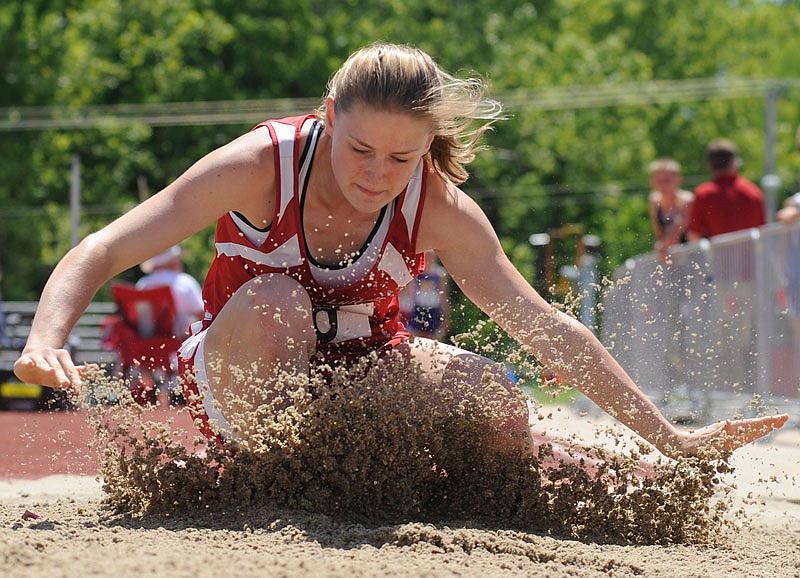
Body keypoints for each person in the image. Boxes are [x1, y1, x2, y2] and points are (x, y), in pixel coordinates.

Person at [13, 43, 786, 462]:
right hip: (241, 369)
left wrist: (673, 440)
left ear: (426, 151)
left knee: (495, 397)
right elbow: (104, 246)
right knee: (280, 301)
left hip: (361, 378)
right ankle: (257, 478)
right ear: (326, 117)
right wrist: (45, 339)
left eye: (400, 159)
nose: (375, 176)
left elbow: (546, 326)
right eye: (359, 150)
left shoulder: (439, 205)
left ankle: (447, 486)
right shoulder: (258, 165)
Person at [687, 139, 766, 242]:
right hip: (752, 256)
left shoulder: (703, 193)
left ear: (709, 164)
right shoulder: (753, 191)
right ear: (734, 161)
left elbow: (694, 234)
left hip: (717, 257)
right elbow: (762, 229)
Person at [136, 244, 204, 337]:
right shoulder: (183, 281)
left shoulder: (142, 284)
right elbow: (202, 314)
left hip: (146, 341)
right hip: (178, 341)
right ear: (172, 261)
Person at [647, 158, 693, 261]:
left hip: (690, 254)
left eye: (666, 180)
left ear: (678, 179)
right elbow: (658, 233)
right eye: (658, 181)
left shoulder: (687, 200)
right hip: (669, 255)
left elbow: (678, 232)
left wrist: (663, 246)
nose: (662, 185)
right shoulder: (654, 201)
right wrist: (660, 245)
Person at [399, 250, 450, 340]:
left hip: (433, 309)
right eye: (427, 257)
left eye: (431, 257)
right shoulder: (417, 272)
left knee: (431, 337)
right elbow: (409, 292)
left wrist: (445, 317)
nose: (428, 260)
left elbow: (444, 295)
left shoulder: (439, 274)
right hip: (418, 307)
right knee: (415, 336)